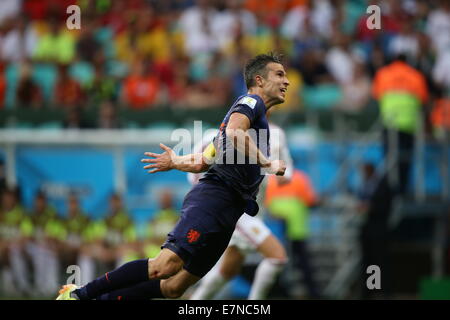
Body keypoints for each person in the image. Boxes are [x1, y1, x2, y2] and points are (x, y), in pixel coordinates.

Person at [56, 52, 289, 300]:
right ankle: (78, 294)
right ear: (259, 80)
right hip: (214, 200)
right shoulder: (251, 103)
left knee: (174, 287)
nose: (287, 82)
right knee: (163, 265)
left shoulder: (257, 120)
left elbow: (203, 161)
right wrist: (268, 162)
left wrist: (175, 161)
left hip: (230, 211)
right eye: (280, 74)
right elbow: (234, 133)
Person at [189, 123, 291, 300]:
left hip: (249, 211)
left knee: (227, 271)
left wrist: (272, 166)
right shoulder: (217, 137)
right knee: (277, 257)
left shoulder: (269, 136)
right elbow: (195, 174)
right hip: (233, 211)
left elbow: (286, 175)